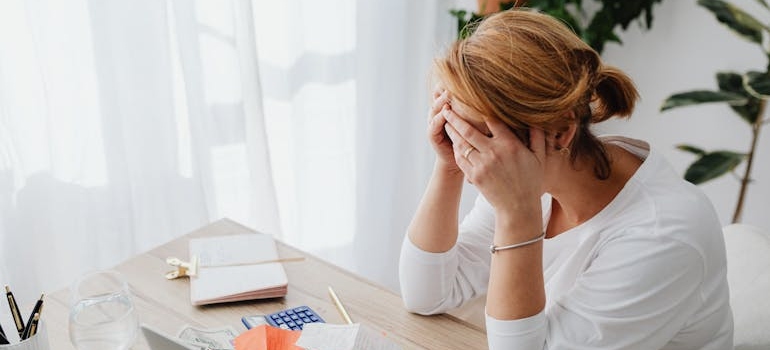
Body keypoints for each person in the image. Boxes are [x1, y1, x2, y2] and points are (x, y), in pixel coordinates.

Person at [398, 9, 733, 349]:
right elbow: (425, 295)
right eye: (456, 131)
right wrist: (448, 167)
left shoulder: (663, 234)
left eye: (478, 138)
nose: (471, 157)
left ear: (559, 133)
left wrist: (518, 215)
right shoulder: (533, 170)